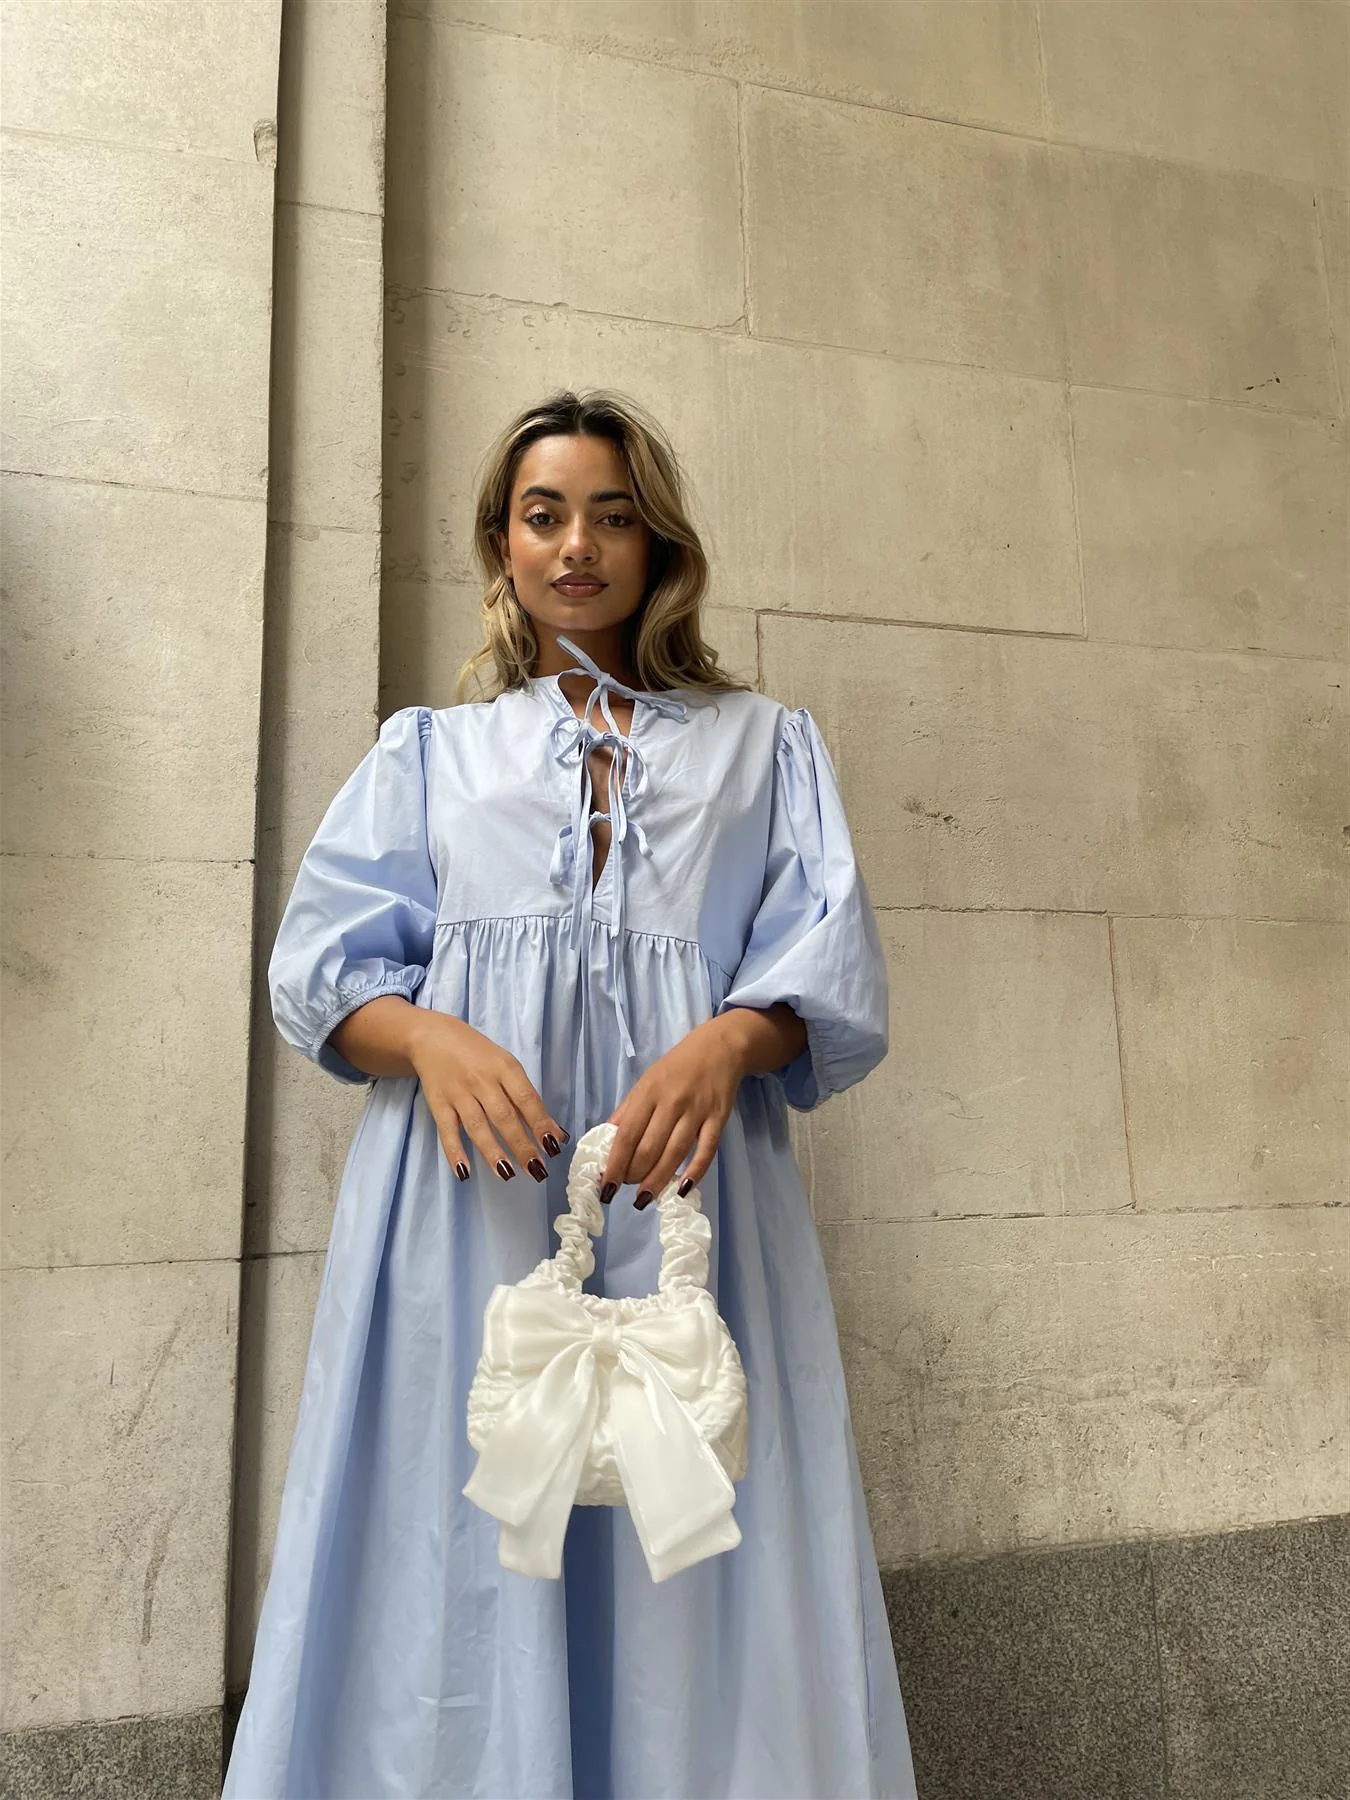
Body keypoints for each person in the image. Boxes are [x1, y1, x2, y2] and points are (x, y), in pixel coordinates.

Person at [223, 390, 918, 1800]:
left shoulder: (762, 744)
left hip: (689, 1205)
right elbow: (319, 973)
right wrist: (429, 1037)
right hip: (464, 1212)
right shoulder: (430, 751)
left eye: (611, 515)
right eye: (544, 516)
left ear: (658, 544)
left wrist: (732, 1038)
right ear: (503, 542)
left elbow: (826, 964)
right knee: (463, 1534)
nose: (577, 545)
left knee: (689, 1537)